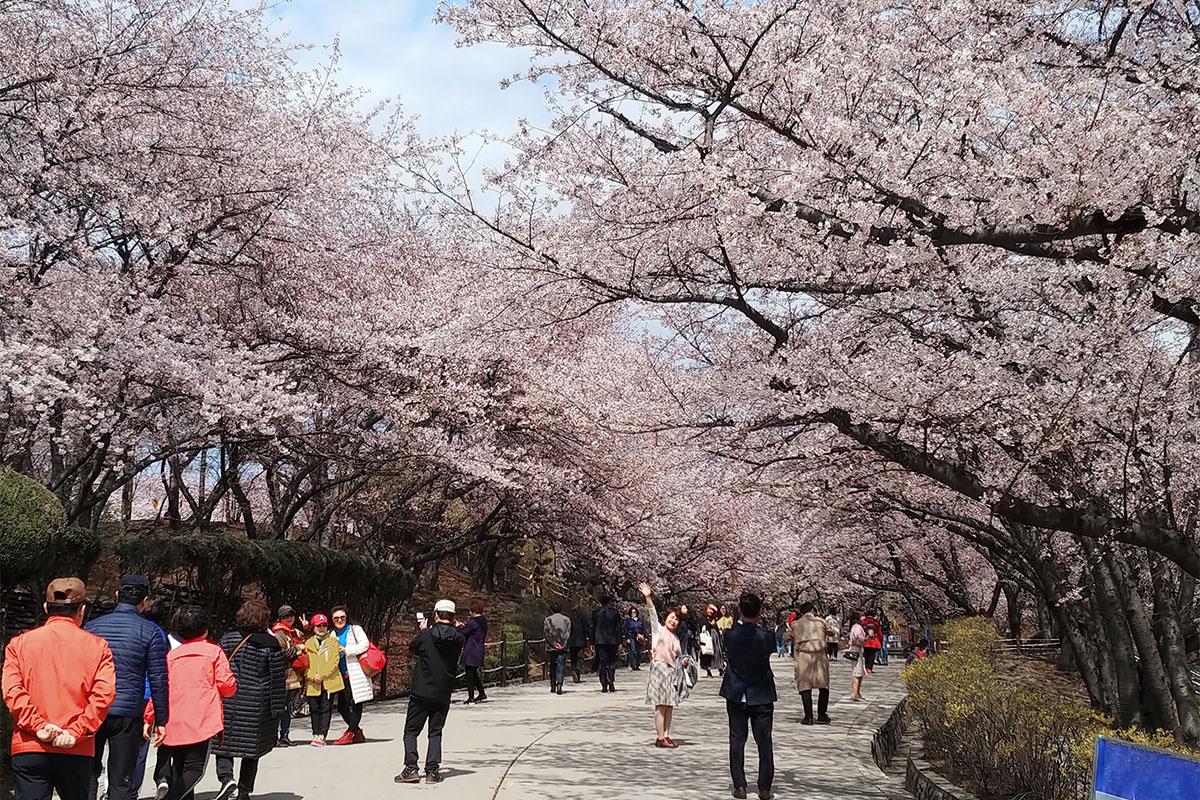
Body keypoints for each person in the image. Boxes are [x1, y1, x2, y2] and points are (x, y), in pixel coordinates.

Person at [3, 578, 116, 800]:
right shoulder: (98, 647)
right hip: (76, 748)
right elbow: (103, 695)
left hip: (30, 745)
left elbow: (13, 691)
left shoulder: (19, 644)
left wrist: (38, 726)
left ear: (46, 608)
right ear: (82, 610)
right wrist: (76, 732)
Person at [84, 575, 168, 800]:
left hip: (94, 709)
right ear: (145, 601)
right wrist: (161, 720)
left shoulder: (92, 627)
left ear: (117, 595)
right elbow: (159, 678)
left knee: (88, 772)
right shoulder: (150, 632)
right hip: (129, 711)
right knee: (122, 777)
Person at [145, 606, 236, 800]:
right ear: (205, 629)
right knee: (195, 770)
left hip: (174, 719)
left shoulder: (171, 656)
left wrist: (149, 717)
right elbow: (227, 686)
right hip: (201, 720)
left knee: (179, 767)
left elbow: (159, 688)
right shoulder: (213, 652)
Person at [212, 599, 286, 800]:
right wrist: (278, 709)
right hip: (257, 704)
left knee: (223, 744)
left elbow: (216, 670)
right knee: (252, 750)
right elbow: (277, 679)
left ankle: (226, 779)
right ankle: (244, 791)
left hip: (228, 699)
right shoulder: (272, 645)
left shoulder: (227, 639)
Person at [395, 599, 465, 785]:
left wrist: (424, 630)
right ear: (453, 616)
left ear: (435, 614)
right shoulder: (458, 638)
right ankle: (432, 771)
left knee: (411, 730)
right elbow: (455, 637)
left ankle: (411, 768)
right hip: (443, 692)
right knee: (435, 732)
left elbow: (413, 648)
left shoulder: (426, 635)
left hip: (421, 690)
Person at [720, 592, 777, 800]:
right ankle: (764, 788)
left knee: (737, 740)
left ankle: (740, 786)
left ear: (739, 610)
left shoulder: (730, 635)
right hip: (761, 693)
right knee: (764, 742)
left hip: (736, 693)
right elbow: (771, 645)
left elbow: (729, 644)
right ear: (760, 612)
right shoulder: (766, 637)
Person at [637, 582, 690, 749]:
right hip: (660, 669)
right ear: (665, 618)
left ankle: (666, 734)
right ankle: (660, 737)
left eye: (676, 619)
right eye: (671, 617)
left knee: (669, 704)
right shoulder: (658, 630)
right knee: (660, 703)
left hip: (672, 671)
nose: (674, 621)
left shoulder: (675, 638)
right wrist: (647, 596)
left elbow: (678, 656)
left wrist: (683, 661)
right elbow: (652, 613)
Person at [784, 602, 835, 725]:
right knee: (823, 686)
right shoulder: (821, 622)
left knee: (805, 686)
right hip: (820, 656)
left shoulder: (796, 624)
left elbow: (786, 636)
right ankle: (822, 714)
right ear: (813, 610)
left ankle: (808, 716)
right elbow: (832, 632)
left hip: (803, 656)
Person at [330, 605, 373, 744]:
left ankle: (350, 732)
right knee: (342, 706)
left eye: (342, 617)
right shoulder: (331, 634)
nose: (339, 620)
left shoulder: (355, 629)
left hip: (355, 672)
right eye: (336, 618)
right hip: (340, 674)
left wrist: (346, 650)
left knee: (356, 703)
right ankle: (357, 731)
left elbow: (365, 645)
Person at [303, 613, 344, 746]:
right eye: (318, 625)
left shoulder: (333, 642)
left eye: (324, 625)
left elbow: (335, 661)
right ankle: (315, 733)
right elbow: (304, 664)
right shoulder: (308, 643)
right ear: (314, 627)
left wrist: (323, 675)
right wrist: (312, 676)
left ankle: (322, 735)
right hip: (313, 682)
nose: (321, 628)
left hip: (328, 681)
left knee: (326, 708)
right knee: (314, 708)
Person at [269, 606, 306, 747]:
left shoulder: (294, 632)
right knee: (280, 707)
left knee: (288, 707)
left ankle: (285, 735)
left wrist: (307, 628)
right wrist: (297, 649)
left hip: (294, 676)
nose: (289, 618)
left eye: (291, 615)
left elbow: (308, 641)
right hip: (282, 676)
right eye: (285, 616)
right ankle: (274, 736)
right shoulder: (278, 633)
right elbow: (281, 654)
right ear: (280, 618)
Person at [459, 600, 488, 704]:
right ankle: (481, 692)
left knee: (469, 674)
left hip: (471, 650)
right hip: (479, 648)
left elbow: (463, 633)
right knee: (474, 673)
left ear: (472, 611)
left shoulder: (472, 622)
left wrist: (459, 627)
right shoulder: (483, 621)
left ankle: (471, 696)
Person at [592, 594, 622, 693]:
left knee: (601, 662)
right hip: (612, 640)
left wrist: (591, 642)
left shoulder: (596, 613)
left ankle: (604, 684)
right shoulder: (615, 613)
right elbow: (618, 628)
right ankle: (611, 679)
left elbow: (593, 628)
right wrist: (620, 641)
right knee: (612, 661)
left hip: (599, 641)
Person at [543, 600, 571, 695]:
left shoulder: (548, 620)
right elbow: (568, 633)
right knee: (561, 665)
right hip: (563, 646)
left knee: (553, 665)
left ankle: (553, 684)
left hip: (552, 647)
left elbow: (547, 634)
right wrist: (563, 643)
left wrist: (554, 643)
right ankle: (559, 683)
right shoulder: (567, 619)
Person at [567, 606, 592, 683]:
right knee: (580, 657)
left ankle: (574, 669)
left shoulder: (570, 620)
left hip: (572, 642)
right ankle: (578, 671)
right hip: (581, 641)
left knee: (573, 658)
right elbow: (588, 629)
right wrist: (590, 639)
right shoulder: (583, 620)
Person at [700, 604, 726, 678]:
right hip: (708, 639)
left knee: (718, 653)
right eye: (709, 609)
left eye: (712, 610)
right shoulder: (703, 618)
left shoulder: (715, 618)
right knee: (708, 654)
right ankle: (708, 671)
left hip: (716, 638)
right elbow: (703, 627)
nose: (710, 611)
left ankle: (720, 669)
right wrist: (711, 624)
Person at [847, 611, 867, 701]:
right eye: (862, 616)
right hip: (856, 649)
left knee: (859, 672)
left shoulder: (854, 626)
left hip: (856, 649)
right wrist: (864, 640)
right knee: (856, 672)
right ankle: (854, 693)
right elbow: (856, 638)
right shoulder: (857, 627)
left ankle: (857, 692)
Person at [624, 606, 646, 671]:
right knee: (633, 651)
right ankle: (633, 665)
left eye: (634, 612)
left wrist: (645, 636)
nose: (633, 613)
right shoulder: (628, 621)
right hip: (632, 637)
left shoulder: (640, 620)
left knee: (639, 652)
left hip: (640, 637)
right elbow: (626, 629)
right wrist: (627, 638)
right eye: (632, 612)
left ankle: (637, 664)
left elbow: (643, 629)